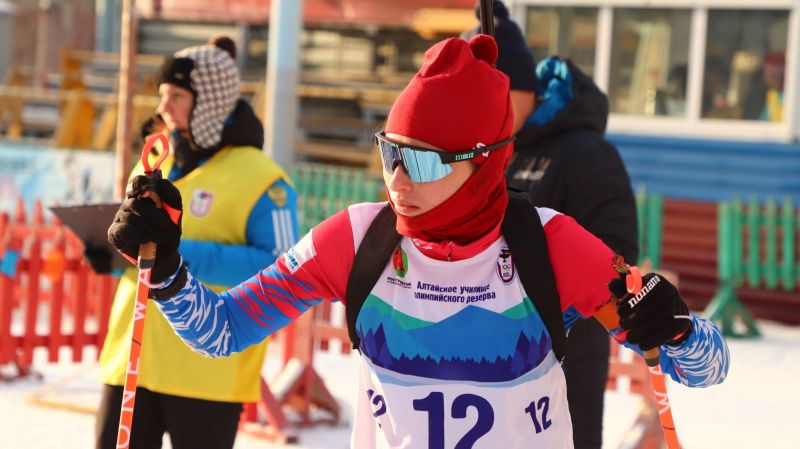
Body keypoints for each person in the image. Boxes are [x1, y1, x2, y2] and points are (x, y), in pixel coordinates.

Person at [107, 35, 729, 449]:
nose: (399, 181)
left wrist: (676, 329)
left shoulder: (550, 244)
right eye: (391, 153)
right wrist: (168, 270)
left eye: (425, 162)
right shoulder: (355, 239)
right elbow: (221, 332)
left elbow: (705, 369)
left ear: (484, 162)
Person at [88, 36, 299, 449]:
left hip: (206, 374)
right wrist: (111, 255)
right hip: (132, 361)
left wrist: (173, 257)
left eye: (177, 96)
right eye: (162, 95)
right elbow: (138, 249)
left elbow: (279, 267)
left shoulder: (264, 179)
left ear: (211, 101)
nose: (163, 107)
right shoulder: (154, 163)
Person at [462, 3, 639, 448]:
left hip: (567, 351)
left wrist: (541, 286)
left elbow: (617, 251)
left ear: (519, 87)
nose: (484, 111)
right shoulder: (498, 151)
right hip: (495, 350)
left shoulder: (586, 154)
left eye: (492, 96)